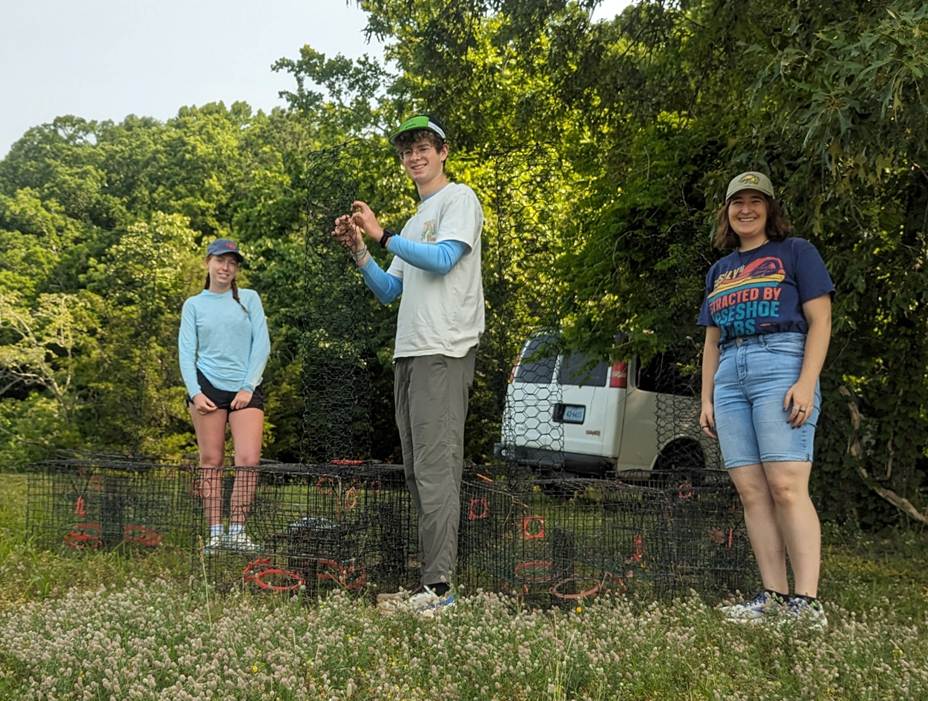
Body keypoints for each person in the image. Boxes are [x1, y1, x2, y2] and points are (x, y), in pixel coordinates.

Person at [331, 114, 484, 614]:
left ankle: (440, 592)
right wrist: (359, 253)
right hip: (410, 352)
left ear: (443, 152)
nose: (414, 156)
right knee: (421, 472)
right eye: (407, 151)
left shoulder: (459, 199)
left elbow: (442, 261)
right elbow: (390, 290)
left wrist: (380, 234)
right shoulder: (416, 220)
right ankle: (429, 585)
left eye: (424, 147)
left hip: (444, 350)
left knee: (438, 469)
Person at [698, 172, 833, 627]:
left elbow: (820, 320)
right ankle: (772, 598)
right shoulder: (720, 271)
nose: (746, 209)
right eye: (738, 202)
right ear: (728, 211)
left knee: (786, 486)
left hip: (782, 363)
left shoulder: (796, 252)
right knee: (752, 491)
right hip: (730, 375)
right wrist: (707, 398)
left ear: (770, 210)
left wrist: (806, 380)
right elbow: (711, 340)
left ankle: (807, 603)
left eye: (756, 201)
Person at [178, 238, 271, 554]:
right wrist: (195, 392)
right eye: (220, 260)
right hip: (207, 388)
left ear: (236, 268)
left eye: (232, 262)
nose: (225, 267)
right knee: (211, 460)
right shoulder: (194, 305)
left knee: (247, 460)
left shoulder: (249, 299)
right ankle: (216, 534)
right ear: (208, 262)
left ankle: (238, 532)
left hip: (245, 387)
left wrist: (248, 386)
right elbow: (186, 351)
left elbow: (262, 345)